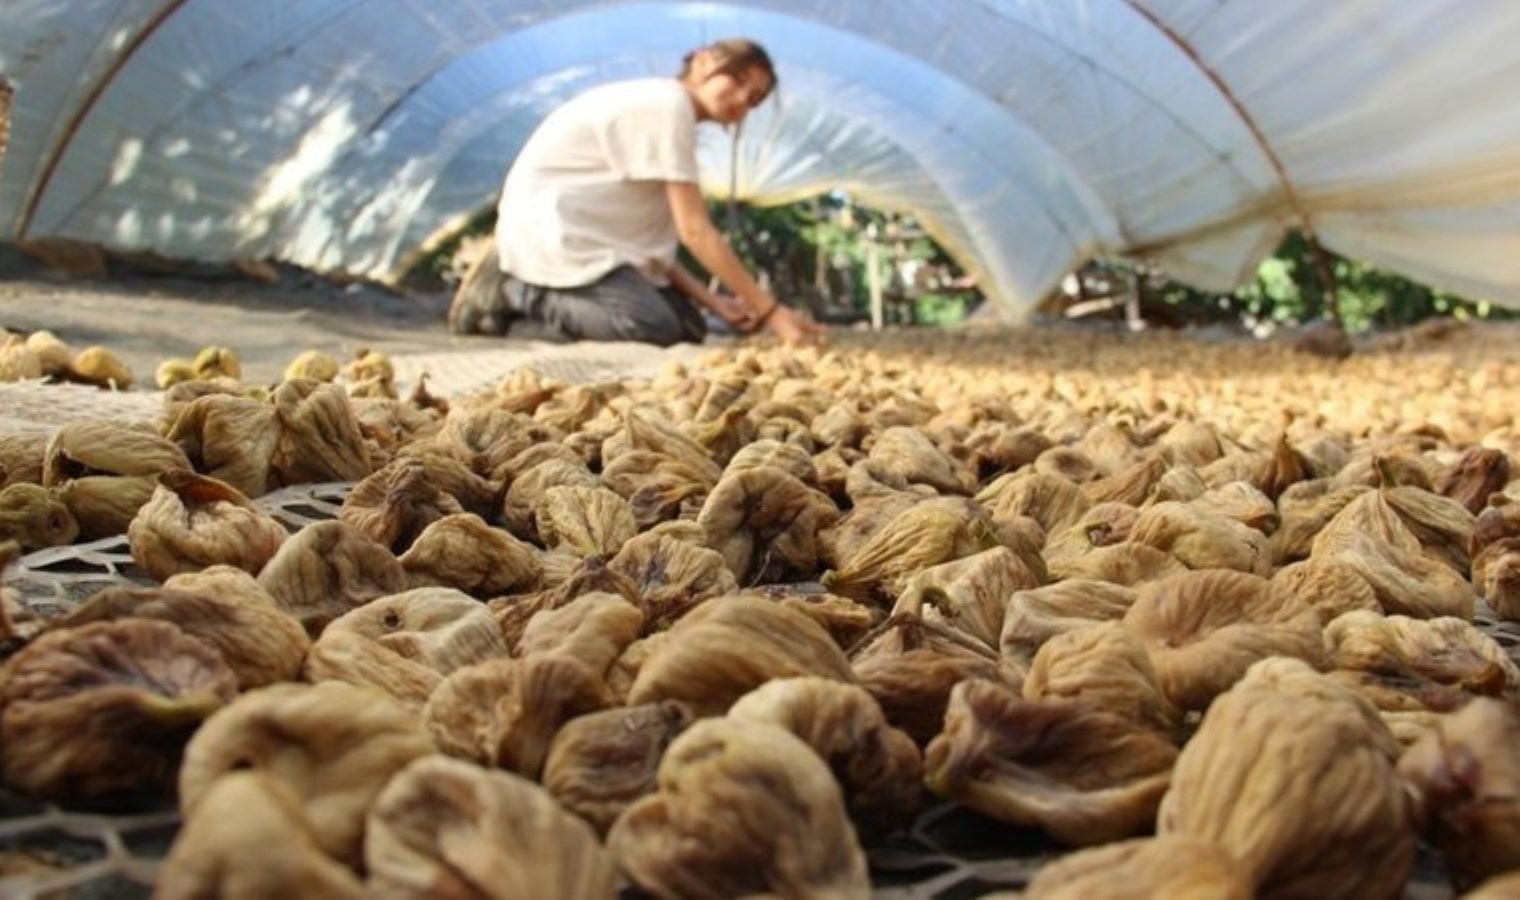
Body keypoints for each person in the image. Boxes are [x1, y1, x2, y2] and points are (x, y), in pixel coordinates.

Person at [449, 38, 822, 346]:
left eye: (753, 99)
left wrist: (713, 302)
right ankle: (515, 291)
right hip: (553, 234)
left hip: (593, 242)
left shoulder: (667, 118)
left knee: (689, 327)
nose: (741, 99)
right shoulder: (669, 106)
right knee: (649, 326)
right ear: (703, 61)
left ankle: (542, 297)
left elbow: (650, 248)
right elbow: (695, 231)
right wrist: (770, 312)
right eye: (737, 80)